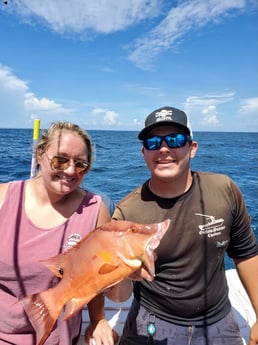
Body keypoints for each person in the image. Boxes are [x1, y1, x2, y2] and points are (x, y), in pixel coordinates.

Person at [110, 106, 258, 345]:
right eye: (153, 142)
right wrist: (125, 275)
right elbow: (118, 296)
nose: (164, 149)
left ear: (193, 148)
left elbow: (246, 253)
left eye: (175, 140)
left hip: (218, 319)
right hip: (152, 319)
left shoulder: (224, 190)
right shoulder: (127, 212)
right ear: (143, 152)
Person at [0, 121, 117, 345]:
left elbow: (95, 276)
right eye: (60, 160)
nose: (71, 171)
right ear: (40, 153)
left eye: (80, 164)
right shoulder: (3, 198)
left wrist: (98, 320)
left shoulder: (95, 209)